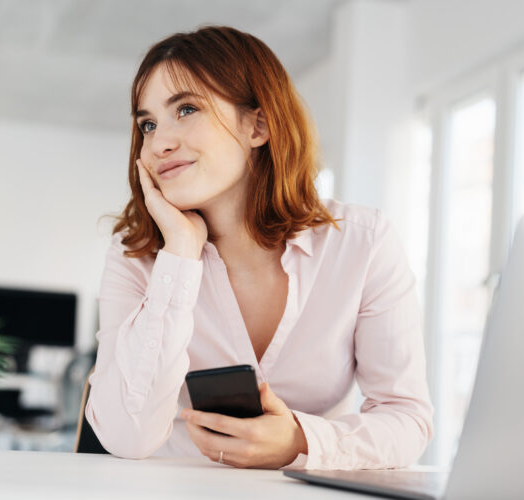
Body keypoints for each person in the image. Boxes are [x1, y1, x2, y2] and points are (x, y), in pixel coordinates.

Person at [86, 25, 433, 470]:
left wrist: (301, 441)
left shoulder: (362, 244)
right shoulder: (136, 254)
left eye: (187, 109)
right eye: (148, 124)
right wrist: (178, 258)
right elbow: (124, 437)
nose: (159, 142)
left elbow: (406, 418)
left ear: (258, 126)